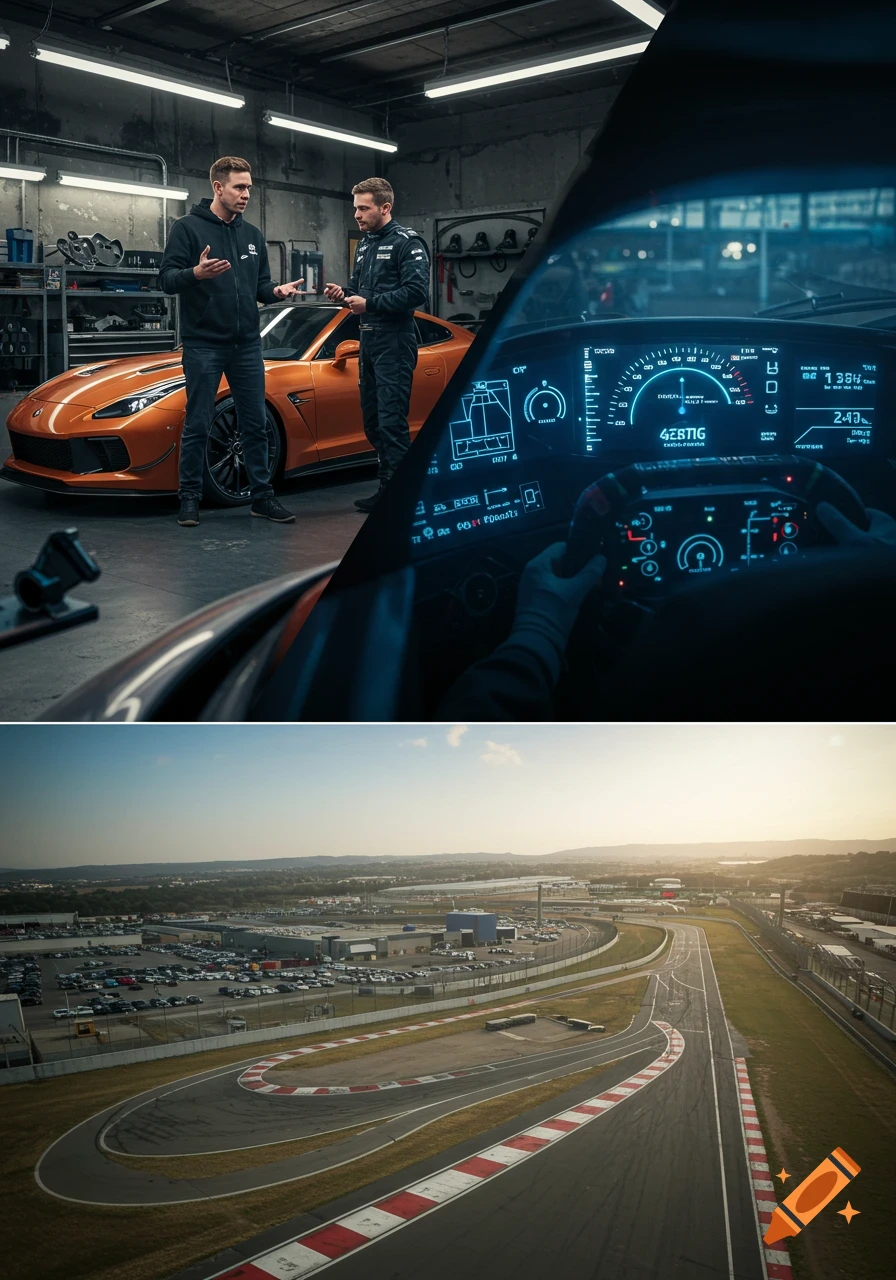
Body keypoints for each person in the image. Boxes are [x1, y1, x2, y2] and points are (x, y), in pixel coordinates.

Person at [160, 155, 305, 527]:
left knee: (255, 422)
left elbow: (259, 287)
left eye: (249, 189)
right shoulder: (187, 229)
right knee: (198, 422)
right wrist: (195, 272)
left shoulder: (253, 235)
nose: (245, 195)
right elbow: (166, 280)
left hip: (246, 345)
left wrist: (277, 291)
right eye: (239, 187)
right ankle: (189, 499)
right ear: (217, 187)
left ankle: (261, 498)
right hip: (204, 343)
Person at [323, 178, 430, 512]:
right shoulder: (366, 245)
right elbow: (359, 288)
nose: (356, 214)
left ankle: (401, 496)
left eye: (363, 207)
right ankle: (388, 485)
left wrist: (369, 305)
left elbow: (416, 293)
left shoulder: (406, 243)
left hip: (395, 341)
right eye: (355, 207)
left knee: (391, 421)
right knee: (372, 422)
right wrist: (343, 294)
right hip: (368, 340)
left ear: (385, 207)